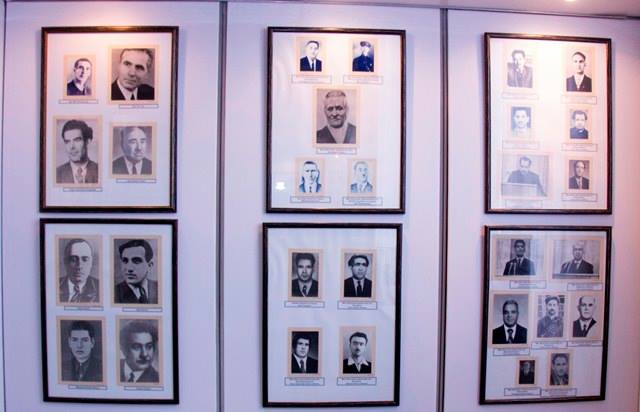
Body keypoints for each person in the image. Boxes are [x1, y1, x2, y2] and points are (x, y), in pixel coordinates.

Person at [114, 239, 158, 304]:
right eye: (125, 261)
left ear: (149, 265)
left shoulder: (159, 287)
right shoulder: (114, 292)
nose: (129, 268)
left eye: (136, 261)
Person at [56, 119, 99, 184]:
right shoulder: (57, 173)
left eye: (77, 140)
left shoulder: (100, 170)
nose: (72, 147)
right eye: (67, 142)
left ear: (87, 142)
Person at [58, 239, 99, 303]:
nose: (79, 266)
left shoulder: (100, 287)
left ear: (91, 263)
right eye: (73, 259)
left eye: (85, 259)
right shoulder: (55, 286)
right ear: (65, 262)